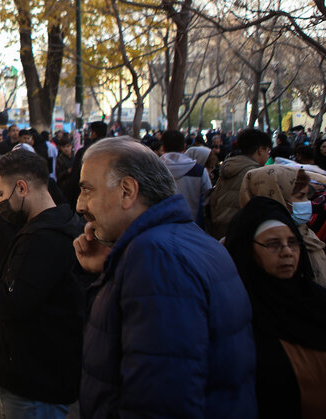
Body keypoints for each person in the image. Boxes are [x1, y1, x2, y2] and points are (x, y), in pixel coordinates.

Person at [74, 137, 257, 418]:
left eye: (87, 190)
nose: (80, 205)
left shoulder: (155, 258)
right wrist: (113, 266)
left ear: (127, 191)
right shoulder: (186, 242)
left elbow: (159, 402)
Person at [0, 150, 84, 417]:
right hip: (31, 372)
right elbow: (33, 287)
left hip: (33, 379)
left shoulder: (44, 237)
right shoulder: (50, 226)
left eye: (0, 194)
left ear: (21, 187)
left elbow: (14, 301)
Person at [225, 197, 326, 418]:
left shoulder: (317, 300)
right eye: (272, 244)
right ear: (248, 250)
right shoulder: (240, 313)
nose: (287, 252)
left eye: (293, 242)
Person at [239, 164, 326, 286]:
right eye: (300, 196)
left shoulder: (306, 233)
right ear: (275, 197)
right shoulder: (248, 248)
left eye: (307, 195)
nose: (308, 203)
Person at [209, 128, 273, 240]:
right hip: (240, 234)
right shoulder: (256, 174)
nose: (268, 156)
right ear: (260, 150)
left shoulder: (229, 166)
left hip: (218, 229)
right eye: (268, 152)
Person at [159, 129, 212, 227]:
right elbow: (207, 201)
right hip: (192, 227)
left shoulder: (153, 170)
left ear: (162, 147)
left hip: (159, 227)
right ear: (184, 147)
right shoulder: (199, 171)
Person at [61, 120, 107, 206]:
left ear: (93, 133)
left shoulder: (85, 152)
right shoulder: (113, 152)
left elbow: (75, 177)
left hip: (87, 196)